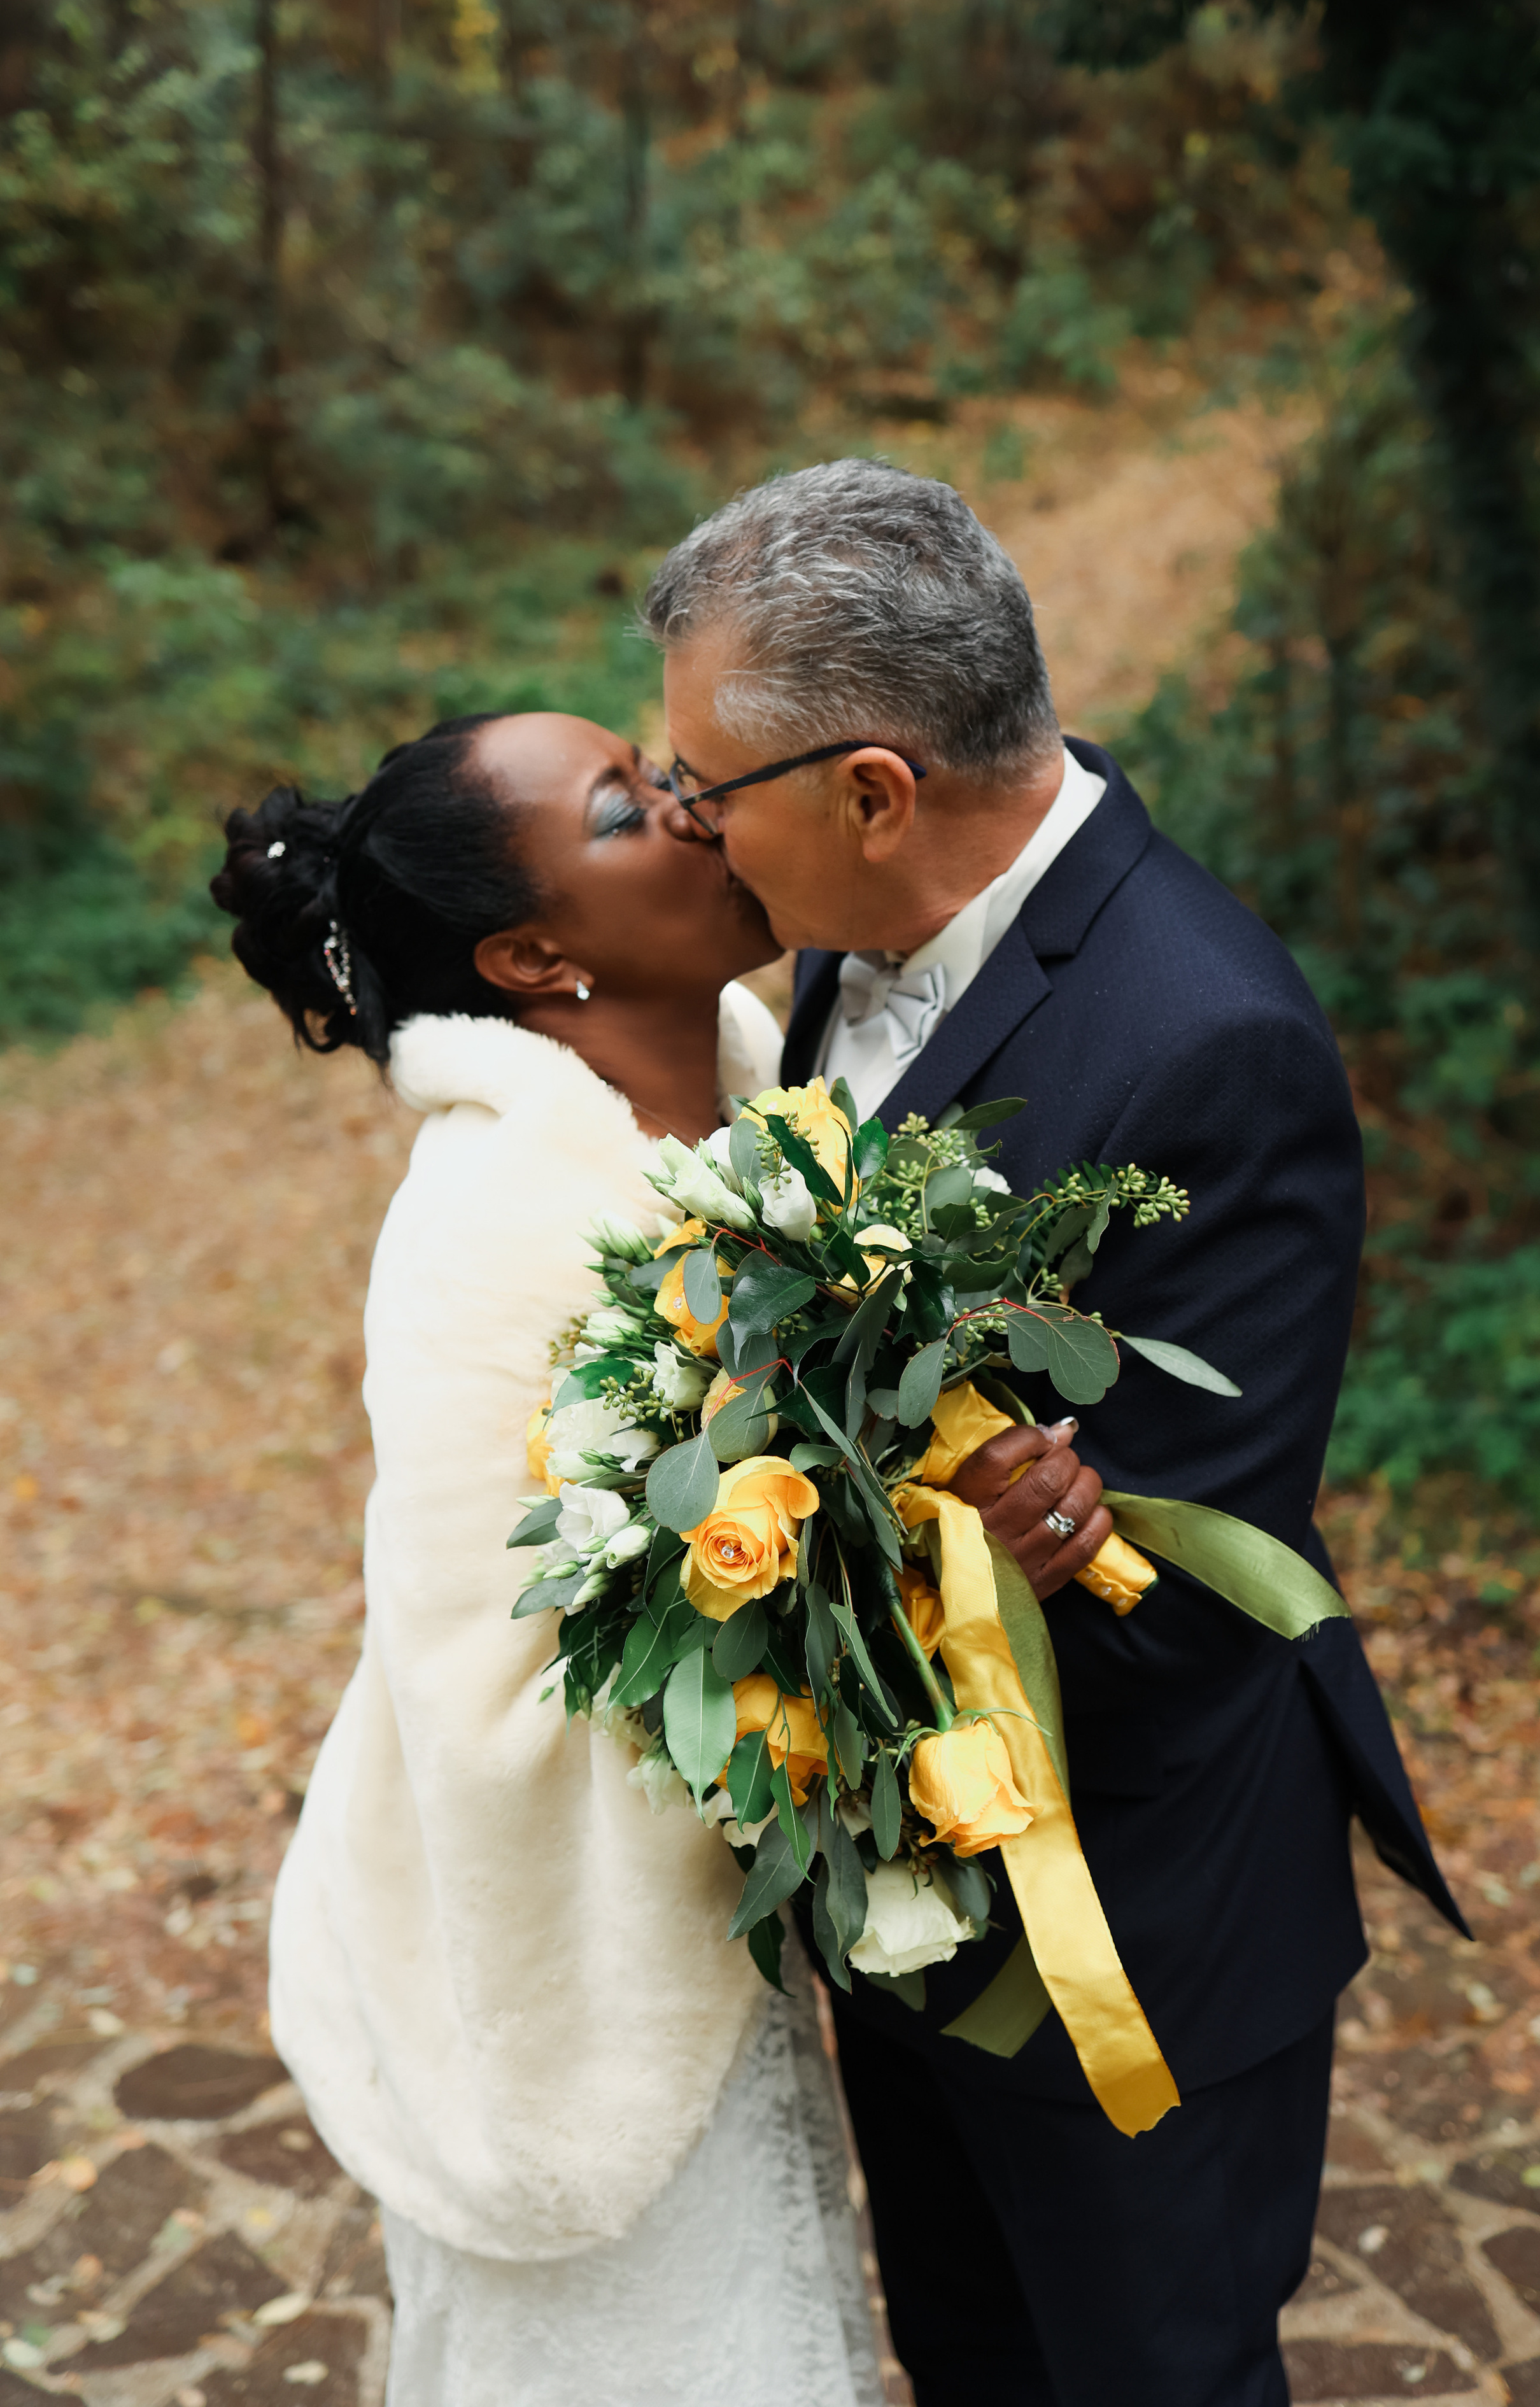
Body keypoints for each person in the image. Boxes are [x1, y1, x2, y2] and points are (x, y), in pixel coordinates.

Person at [643, 459, 1470, 2407]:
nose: (691, 831)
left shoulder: (1213, 1039)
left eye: (710, 790)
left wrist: (1012, 1528)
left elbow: (1194, 1586)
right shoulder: (852, 927)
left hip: (1130, 1914)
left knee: (1151, 2378)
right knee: (975, 2361)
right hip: (903, 1891)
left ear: (872, 792)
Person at [211, 710, 886, 2407]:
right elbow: (474, 1664)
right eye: (621, 811)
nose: (688, 803)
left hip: (723, 1910)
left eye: (651, 770)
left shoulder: (777, 1099)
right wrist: (775, 1641)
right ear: (534, 955)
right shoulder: (487, 1215)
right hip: (573, 1948)